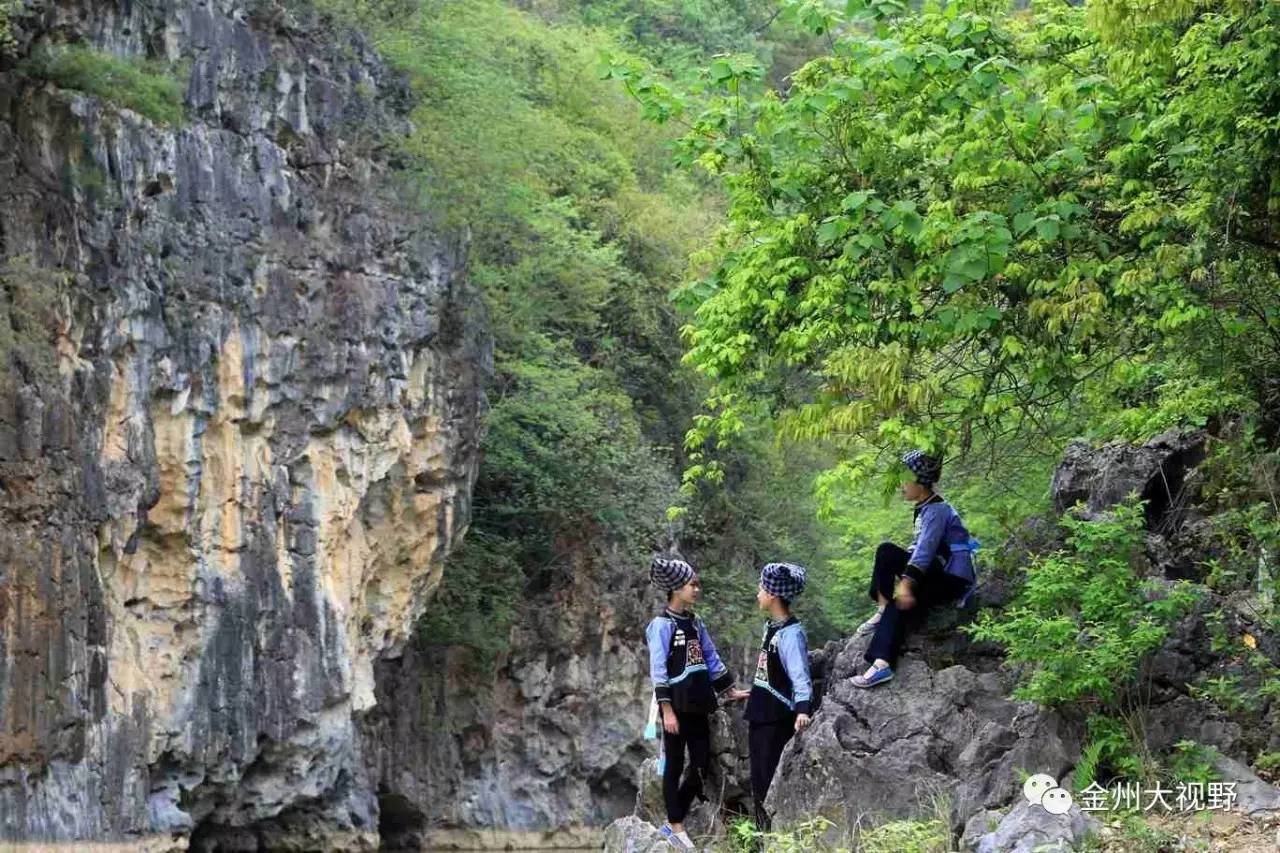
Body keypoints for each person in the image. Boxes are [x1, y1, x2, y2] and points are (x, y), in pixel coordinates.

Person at [646, 557, 749, 849]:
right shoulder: (661, 625)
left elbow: (711, 658)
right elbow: (658, 671)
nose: (697, 590)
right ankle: (676, 825)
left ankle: (671, 820)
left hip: (700, 703)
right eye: (693, 585)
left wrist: (729, 691)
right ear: (677, 588)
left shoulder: (695, 622)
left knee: (701, 764)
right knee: (675, 764)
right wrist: (666, 711)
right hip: (675, 706)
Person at [852, 450, 978, 688]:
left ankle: (882, 664)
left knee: (901, 601)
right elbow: (918, 549)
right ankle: (882, 608)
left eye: (904, 479)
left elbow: (925, 551)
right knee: (886, 551)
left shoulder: (938, 510)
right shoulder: (925, 507)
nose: (901, 485)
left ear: (920, 482)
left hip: (952, 577)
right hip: (934, 570)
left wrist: (907, 585)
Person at [743, 562, 812, 832]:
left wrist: (803, 710)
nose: (758, 593)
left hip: (777, 718)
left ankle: (773, 837)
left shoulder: (791, 634)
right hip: (760, 713)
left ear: (772, 594)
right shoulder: (771, 627)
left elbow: (799, 676)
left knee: (771, 779)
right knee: (758, 780)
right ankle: (762, 837)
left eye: (762, 588)